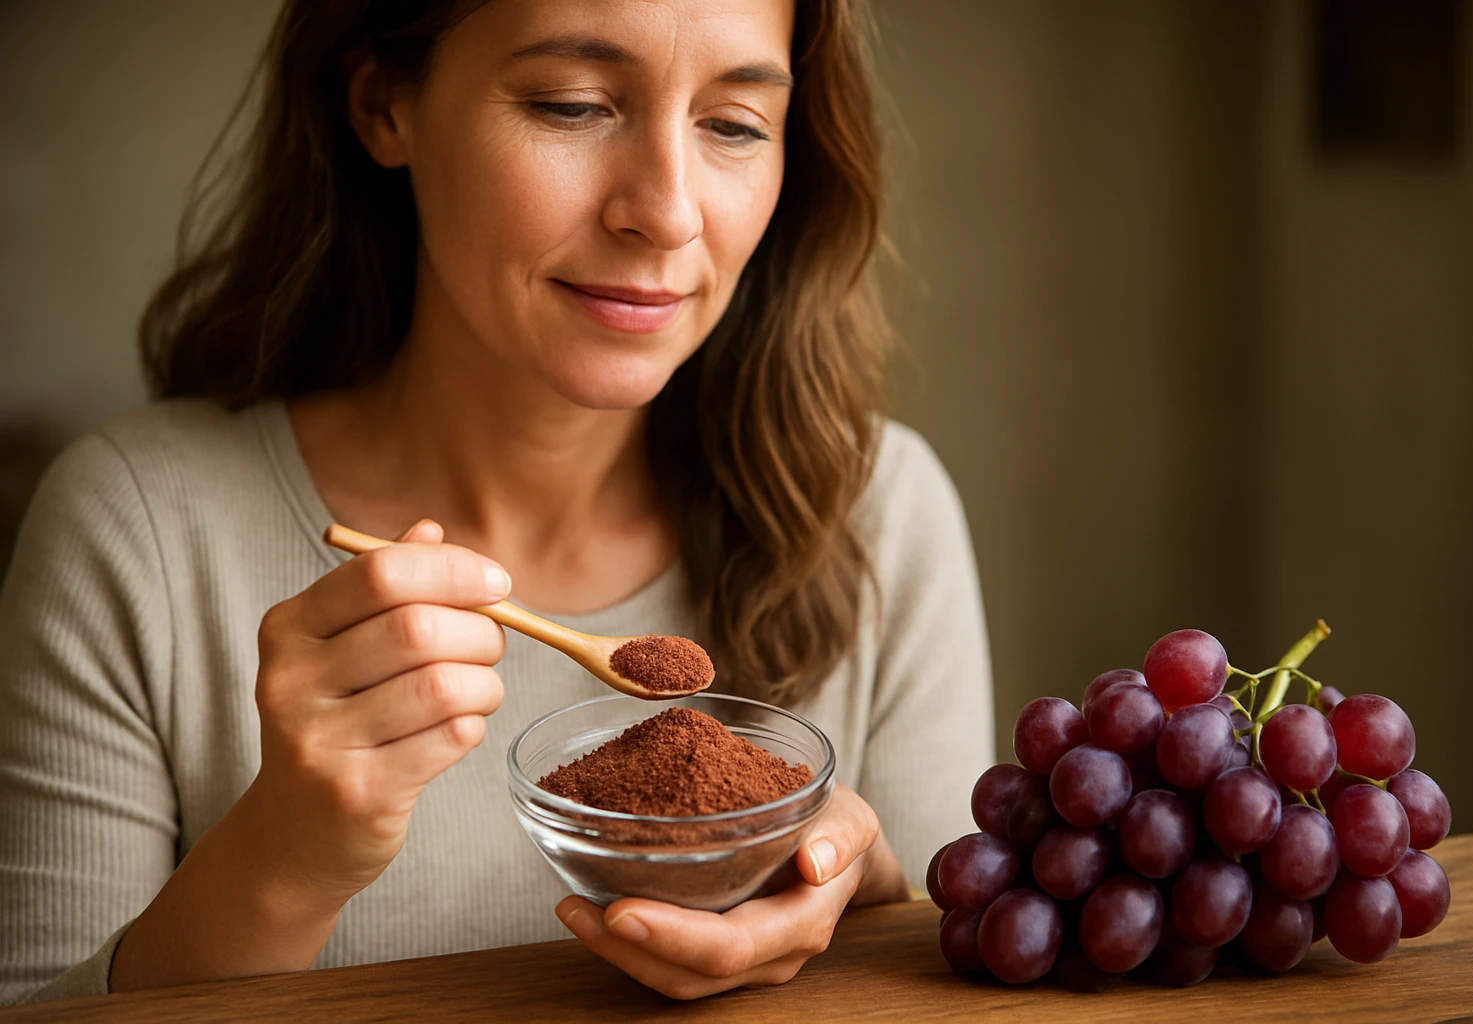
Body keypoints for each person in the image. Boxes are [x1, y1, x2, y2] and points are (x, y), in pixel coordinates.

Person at [0, 0, 991, 1005]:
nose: (669, 209)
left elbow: (964, 976)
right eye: (572, 106)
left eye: (733, 125)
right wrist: (285, 858)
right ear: (385, 104)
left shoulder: (877, 514)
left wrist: (865, 889)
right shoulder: (139, 528)